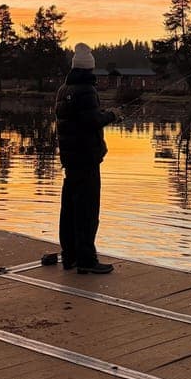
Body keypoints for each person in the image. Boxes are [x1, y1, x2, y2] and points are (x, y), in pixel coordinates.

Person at [52, 43, 117, 275]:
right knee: (88, 211)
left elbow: (77, 119)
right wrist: (111, 115)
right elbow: (91, 121)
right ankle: (87, 260)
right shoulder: (87, 91)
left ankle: (69, 255)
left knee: (69, 209)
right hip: (87, 159)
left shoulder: (63, 90)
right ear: (89, 69)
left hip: (70, 159)